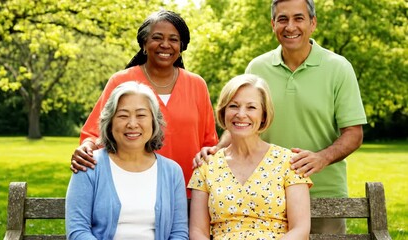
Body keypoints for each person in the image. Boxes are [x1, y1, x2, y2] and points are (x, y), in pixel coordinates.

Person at [195, 0, 367, 234]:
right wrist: (217, 150)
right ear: (273, 24)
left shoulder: (338, 68)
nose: (290, 26)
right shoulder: (258, 67)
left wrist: (320, 158)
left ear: (313, 23)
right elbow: (243, 120)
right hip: (263, 193)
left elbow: (354, 134)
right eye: (283, 19)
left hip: (323, 190)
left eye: (298, 18)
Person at [70, 10, 218, 194]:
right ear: (144, 44)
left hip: (188, 191)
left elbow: (209, 142)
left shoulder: (197, 85)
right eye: (157, 37)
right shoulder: (121, 81)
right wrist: (86, 148)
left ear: (181, 46)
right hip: (131, 191)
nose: (165, 45)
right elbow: (94, 133)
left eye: (173, 39)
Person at [188, 74, 312, 239]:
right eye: (233, 106)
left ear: (264, 116)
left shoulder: (289, 162)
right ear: (223, 111)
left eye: (251, 107)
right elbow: (197, 232)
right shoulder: (206, 165)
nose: (241, 114)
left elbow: (300, 229)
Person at [66, 81, 188, 239]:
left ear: (154, 122)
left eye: (141, 115)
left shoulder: (172, 172)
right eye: (123, 116)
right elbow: (77, 231)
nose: (132, 124)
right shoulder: (89, 165)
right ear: (110, 123)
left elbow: (178, 233)